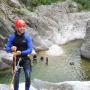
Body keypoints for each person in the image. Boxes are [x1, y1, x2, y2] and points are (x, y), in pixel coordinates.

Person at [5, 19, 33, 90]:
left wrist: (21, 52)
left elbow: (30, 50)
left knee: (28, 75)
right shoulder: (12, 37)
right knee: (16, 78)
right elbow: (7, 49)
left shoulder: (27, 37)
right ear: (16, 27)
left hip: (26, 59)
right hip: (16, 60)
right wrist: (11, 48)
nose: (22, 28)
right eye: (20, 26)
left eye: (23, 26)